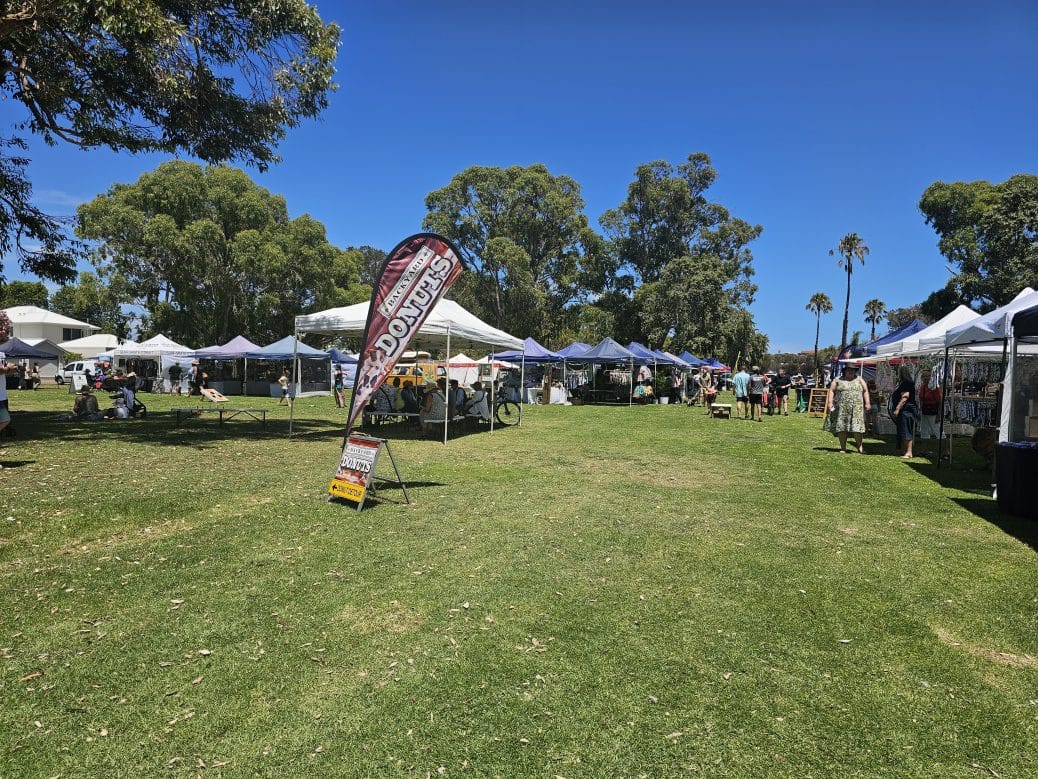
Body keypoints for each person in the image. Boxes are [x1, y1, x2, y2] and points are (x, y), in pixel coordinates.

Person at [823, 363, 871, 453]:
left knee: (857, 428)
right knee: (842, 427)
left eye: (852, 370)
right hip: (842, 409)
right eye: (849, 370)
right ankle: (843, 448)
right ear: (844, 371)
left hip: (857, 409)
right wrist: (830, 402)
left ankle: (860, 447)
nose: (851, 371)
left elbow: (865, 391)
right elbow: (831, 391)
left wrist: (867, 402)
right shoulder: (837, 380)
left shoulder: (860, 379)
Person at [892, 364, 919, 459]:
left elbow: (905, 397)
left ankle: (909, 452)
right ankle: (904, 450)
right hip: (907, 410)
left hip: (907, 410)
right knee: (903, 430)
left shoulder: (906, 384)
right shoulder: (906, 383)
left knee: (906, 430)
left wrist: (897, 409)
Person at [917, 368, 942, 448]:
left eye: (928, 376)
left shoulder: (934, 387)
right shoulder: (922, 387)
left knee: (938, 431)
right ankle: (924, 450)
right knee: (924, 431)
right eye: (924, 376)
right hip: (924, 411)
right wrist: (920, 409)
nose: (926, 378)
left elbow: (940, 401)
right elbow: (921, 398)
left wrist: (939, 414)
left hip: (933, 412)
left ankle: (946, 451)